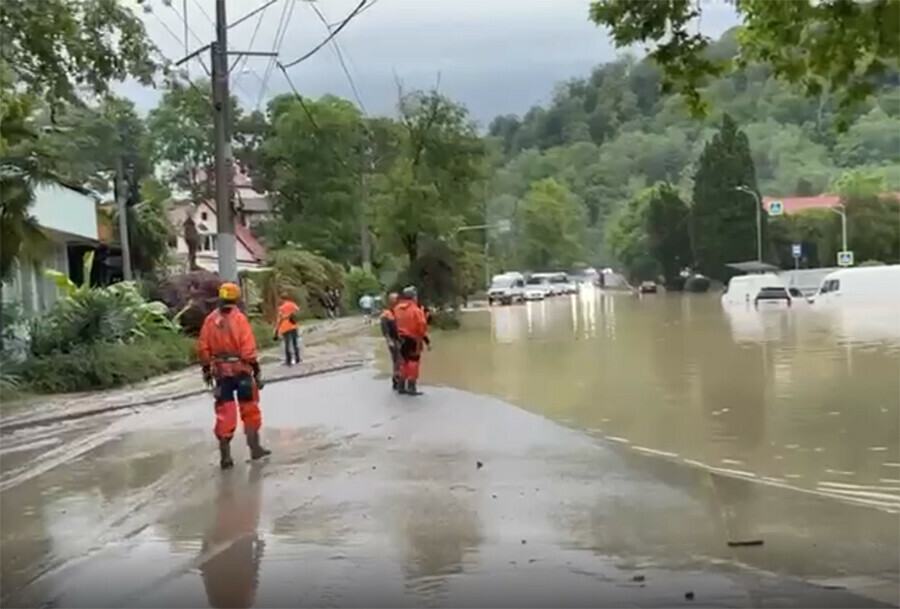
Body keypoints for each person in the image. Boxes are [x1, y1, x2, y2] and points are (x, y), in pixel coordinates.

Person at [198, 282, 271, 470]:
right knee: (250, 410)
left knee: (225, 413)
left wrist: (207, 370)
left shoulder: (209, 321)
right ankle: (255, 449)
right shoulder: (240, 319)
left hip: (221, 373)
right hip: (242, 370)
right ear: (237, 298)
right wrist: (256, 369)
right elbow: (248, 350)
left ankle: (226, 457)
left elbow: (203, 348)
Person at [393, 286, 430, 395]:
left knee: (403, 362)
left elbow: (393, 323)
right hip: (414, 339)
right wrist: (426, 340)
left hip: (401, 339)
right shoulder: (416, 310)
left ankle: (401, 385)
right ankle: (411, 387)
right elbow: (422, 326)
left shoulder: (397, 309)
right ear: (414, 296)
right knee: (413, 363)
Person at [379, 292, 401, 390]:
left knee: (400, 361)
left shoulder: (398, 311)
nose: (397, 301)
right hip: (393, 340)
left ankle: (399, 379)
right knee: (397, 360)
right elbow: (385, 330)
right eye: (395, 300)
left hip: (400, 339)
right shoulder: (386, 315)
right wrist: (389, 341)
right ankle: (396, 381)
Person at [274, 292, 301, 365]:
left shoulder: (281, 308)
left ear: (282, 299)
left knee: (287, 344)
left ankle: (288, 360)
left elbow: (279, 319)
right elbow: (298, 311)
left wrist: (276, 329)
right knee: (295, 342)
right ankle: (297, 358)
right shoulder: (293, 304)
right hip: (294, 325)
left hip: (285, 327)